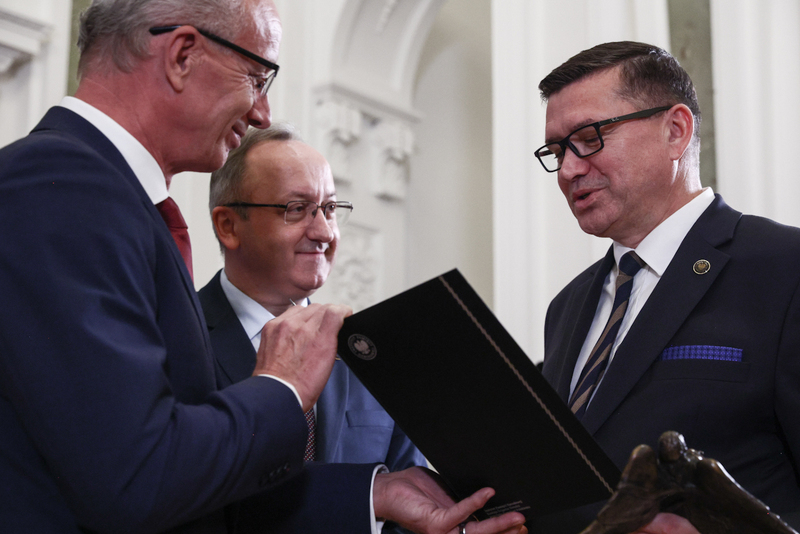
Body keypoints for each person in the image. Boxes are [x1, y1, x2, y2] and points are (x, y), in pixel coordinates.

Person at [0, 1, 527, 533]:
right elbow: (137, 479)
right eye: (256, 78)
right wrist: (282, 387)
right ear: (182, 55)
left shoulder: (98, 190)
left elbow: (184, 488)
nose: (262, 113)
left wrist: (375, 494)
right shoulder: (61, 184)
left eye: (328, 208)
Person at [533, 41, 800, 533]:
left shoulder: (785, 268)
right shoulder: (566, 307)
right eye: (557, 151)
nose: (569, 169)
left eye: (589, 138)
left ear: (675, 131)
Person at [198, 124, 427, 532]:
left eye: (330, 208)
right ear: (228, 225)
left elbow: (415, 511)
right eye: (296, 208)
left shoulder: (372, 350)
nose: (324, 232)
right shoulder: (174, 338)